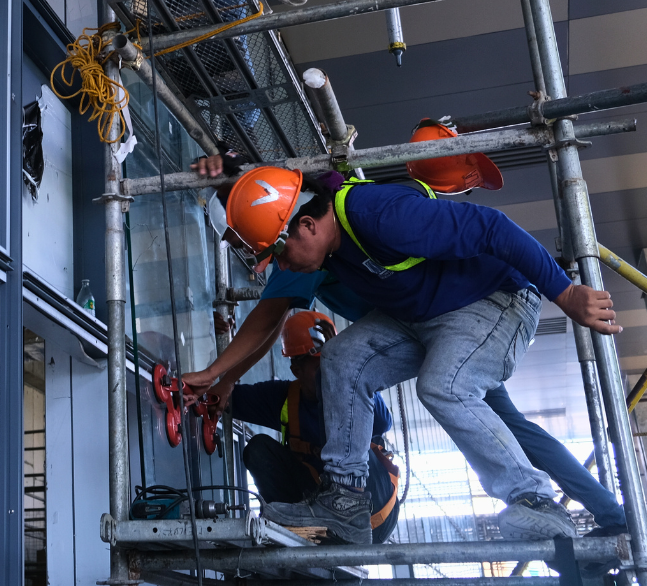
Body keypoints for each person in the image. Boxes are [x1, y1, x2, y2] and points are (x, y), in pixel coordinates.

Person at [185, 153, 620, 544]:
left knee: (445, 388)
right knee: (340, 359)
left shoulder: (380, 215)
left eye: (279, 254)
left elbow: (494, 228)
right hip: (418, 318)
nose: (281, 266)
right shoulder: (315, 238)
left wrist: (565, 295)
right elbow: (291, 190)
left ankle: (535, 500)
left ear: (307, 225)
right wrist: (216, 378)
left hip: (490, 302)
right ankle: (345, 502)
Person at [216, 311, 401, 543]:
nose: (328, 375)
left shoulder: (352, 388)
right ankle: (295, 530)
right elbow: (226, 398)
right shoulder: (285, 399)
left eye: (331, 365)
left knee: (346, 423)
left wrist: (346, 365)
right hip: (325, 517)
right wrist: (219, 339)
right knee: (258, 449)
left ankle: (345, 521)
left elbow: (383, 422)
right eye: (321, 369)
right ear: (297, 370)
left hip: (374, 513)